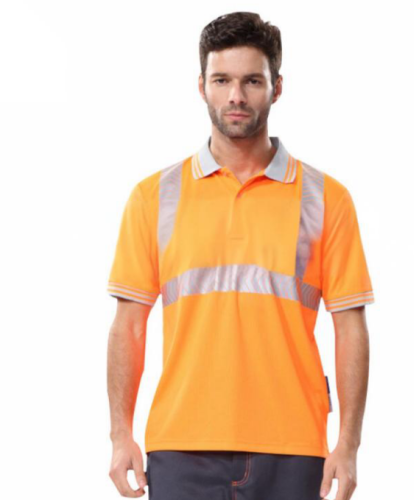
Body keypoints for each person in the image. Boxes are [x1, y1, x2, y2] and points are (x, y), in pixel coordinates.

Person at [106, 11, 375, 500]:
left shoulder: (326, 199)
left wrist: (349, 444)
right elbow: (129, 326)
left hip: (293, 446)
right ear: (202, 86)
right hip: (181, 445)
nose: (236, 96)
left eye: (252, 80)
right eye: (221, 80)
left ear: (276, 88)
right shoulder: (154, 197)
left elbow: (350, 326)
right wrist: (120, 435)